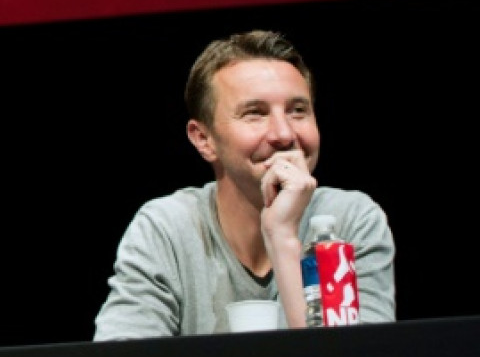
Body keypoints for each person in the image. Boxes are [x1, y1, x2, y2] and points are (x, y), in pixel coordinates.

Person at [93, 30, 396, 339]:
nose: (283, 133)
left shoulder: (351, 221)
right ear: (204, 139)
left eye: (298, 110)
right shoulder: (168, 228)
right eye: (255, 113)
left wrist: (282, 236)